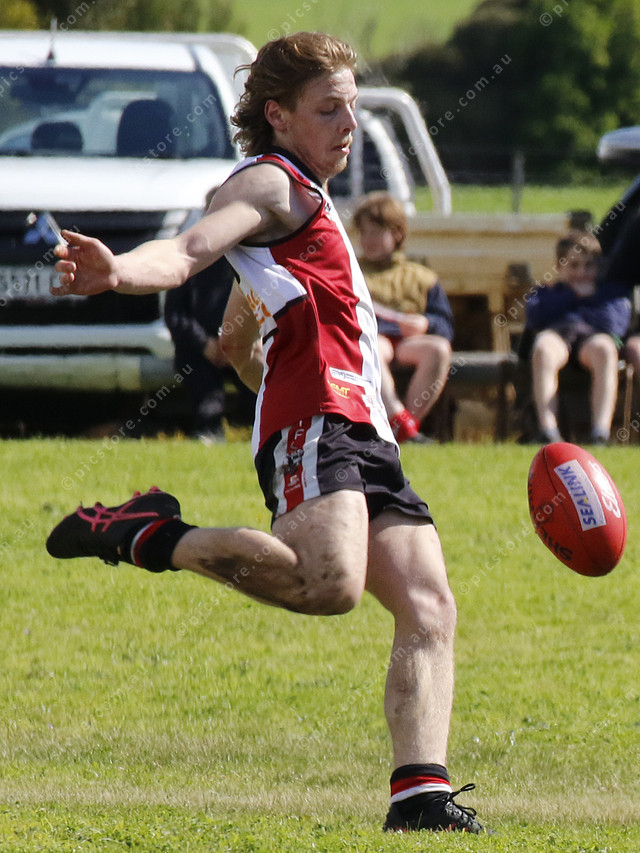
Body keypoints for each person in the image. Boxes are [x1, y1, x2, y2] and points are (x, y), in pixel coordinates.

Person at [45, 31, 488, 834]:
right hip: (322, 422)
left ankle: (420, 796)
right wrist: (120, 272)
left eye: (353, 108)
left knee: (429, 604)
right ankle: (147, 532)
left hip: (364, 433)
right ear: (278, 115)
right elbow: (188, 250)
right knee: (331, 584)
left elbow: (241, 332)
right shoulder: (268, 183)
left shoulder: (310, 199)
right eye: (329, 110)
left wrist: (263, 364)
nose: (348, 125)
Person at [353, 192, 454, 443]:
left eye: (376, 232)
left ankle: (407, 424)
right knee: (373, 345)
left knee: (439, 349)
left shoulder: (422, 277)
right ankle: (398, 419)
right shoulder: (351, 270)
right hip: (374, 341)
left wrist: (426, 323)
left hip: (409, 343)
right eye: (364, 233)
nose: (368, 240)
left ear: (397, 234)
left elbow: (445, 325)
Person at [523, 230, 631, 444]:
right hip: (558, 336)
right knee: (543, 349)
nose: (581, 272)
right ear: (559, 266)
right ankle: (548, 432)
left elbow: (614, 324)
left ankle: (600, 433)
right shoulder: (546, 293)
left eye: (588, 265)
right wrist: (574, 296)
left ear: (597, 267)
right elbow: (536, 317)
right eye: (574, 266)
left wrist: (586, 298)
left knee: (606, 349)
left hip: (592, 339)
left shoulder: (610, 293)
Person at [164, 248, 256, 442]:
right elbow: (175, 315)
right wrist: (204, 344)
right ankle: (209, 433)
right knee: (208, 397)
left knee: (257, 392)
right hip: (199, 352)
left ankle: (261, 433)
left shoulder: (247, 261)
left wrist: (235, 343)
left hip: (242, 346)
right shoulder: (189, 264)